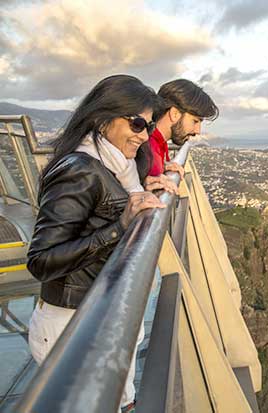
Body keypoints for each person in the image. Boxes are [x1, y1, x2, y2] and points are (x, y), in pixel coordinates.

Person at [26, 74, 177, 413]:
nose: (143, 135)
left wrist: (141, 191)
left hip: (95, 313)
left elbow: (104, 205)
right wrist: (120, 226)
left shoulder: (116, 167)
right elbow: (41, 260)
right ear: (102, 118)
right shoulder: (78, 169)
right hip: (70, 324)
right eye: (136, 123)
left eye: (149, 127)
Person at [148, 79, 219, 177]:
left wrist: (163, 166)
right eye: (195, 121)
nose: (197, 131)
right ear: (175, 114)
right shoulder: (149, 150)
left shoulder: (155, 145)